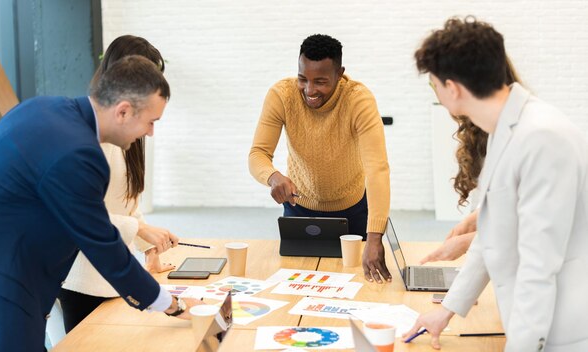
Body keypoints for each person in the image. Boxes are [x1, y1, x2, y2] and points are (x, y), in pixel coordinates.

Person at [0, 56, 200, 351]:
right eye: (151, 122)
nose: (150, 133)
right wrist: (170, 304)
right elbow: (104, 246)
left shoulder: (43, 108)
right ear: (123, 111)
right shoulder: (80, 154)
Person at [404, 17, 588, 351]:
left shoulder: (541, 138)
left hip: (558, 331)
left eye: (434, 85)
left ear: (453, 88)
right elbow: (493, 237)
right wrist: (445, 311)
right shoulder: (505, 131)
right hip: (533, 322)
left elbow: (538, 265)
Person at [57, 35, 180, 334]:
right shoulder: (89, 140)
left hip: (108, 272)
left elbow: (126, 204)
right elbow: (83, 216)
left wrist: (145, 242)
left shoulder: (129, 133)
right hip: (81, 276)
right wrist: (138, 231)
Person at [248, 34, 391, 283]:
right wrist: (272, 177)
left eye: (321, 81)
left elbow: (377, 169)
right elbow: (258, 153)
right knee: (296, 284)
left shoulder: (359, 100)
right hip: (299, 210)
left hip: (353, 210)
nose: (310, 90)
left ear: (340, 73)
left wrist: (375, 235)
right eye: (303, 79)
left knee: (356, 285)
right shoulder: (281, 95)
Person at [420, 57, 522, 265]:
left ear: (454, 88)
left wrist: (469, 242)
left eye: (435, 86)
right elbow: (499, 201)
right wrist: (474, 219)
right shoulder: (493, 130)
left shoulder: (525, 137)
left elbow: (527, 226)